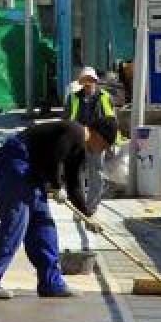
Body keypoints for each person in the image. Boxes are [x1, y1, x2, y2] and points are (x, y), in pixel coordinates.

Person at [0, 120, 93, 299]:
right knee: (15, 224)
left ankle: (51, 283)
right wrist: (56, 186)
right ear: (97, 135)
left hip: (32, 174)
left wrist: (87, 214)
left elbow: (74, 182)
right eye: (104, 145)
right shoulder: (75, 132)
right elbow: (54, 158)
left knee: (44, 227)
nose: (101, 150)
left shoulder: (80, 150)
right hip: (16, 164)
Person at [64, 66, 115, 219]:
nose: (88, 83)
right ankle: (79, 207)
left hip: (97, 140)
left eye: (91, 80)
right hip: (78, 140)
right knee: (77, 174)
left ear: (95, 81)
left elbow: (111, 120)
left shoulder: (105, 97)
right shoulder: (73, 98)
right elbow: (67, 119)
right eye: (85, 80)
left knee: (96, 174)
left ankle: (90, 208)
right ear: (81, 82)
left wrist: (111, 141)